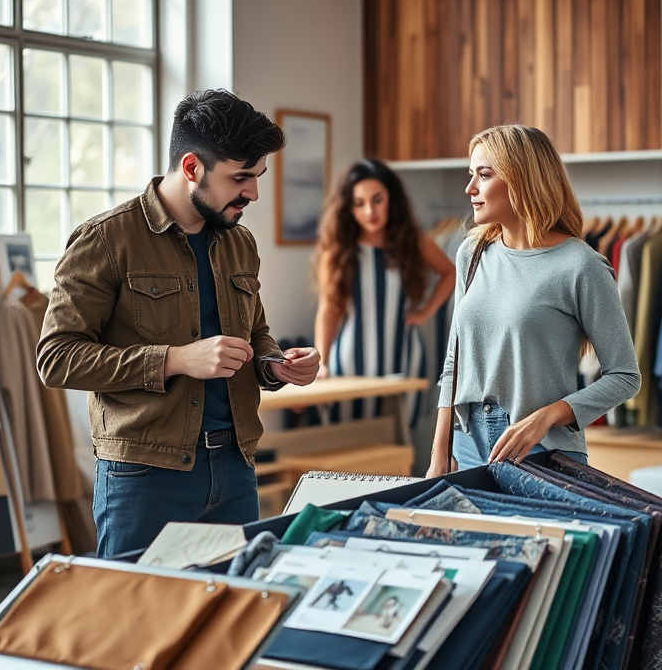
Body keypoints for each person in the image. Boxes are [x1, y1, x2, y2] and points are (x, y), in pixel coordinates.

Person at [37, 89, 320, 557]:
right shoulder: (106, 240)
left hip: (235, 466)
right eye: (241, 177)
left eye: (258, 176)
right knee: (140, 619)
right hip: (145, 476)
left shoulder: (240, 243)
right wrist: (176, 360)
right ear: (192, 168)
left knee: (230, 614)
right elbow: (56, 358)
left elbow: (255, 335)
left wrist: (274, 365)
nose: (252, 192)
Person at [427, 124, 640, 477]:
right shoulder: (472, 253)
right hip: (466, 442)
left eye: (484, 175)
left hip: (539, 449)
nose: (470, 189)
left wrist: (547, 416)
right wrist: (439, 452)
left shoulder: (581, 265)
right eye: (471, 175)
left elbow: (625, 376)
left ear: (520, 178)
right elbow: (455, 362)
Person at [314, 159, 455, 424]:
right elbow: (329, 309)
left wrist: (426, 313)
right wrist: (321, 360)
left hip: (403, 357)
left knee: (397, 443)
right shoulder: (338, 250)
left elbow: (450, 273)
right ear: (348, 207)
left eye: (377, 200)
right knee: (351, 443)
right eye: (359, 203)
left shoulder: (412, 241)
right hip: (350, 363)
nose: (370, 211)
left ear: (391, 198)